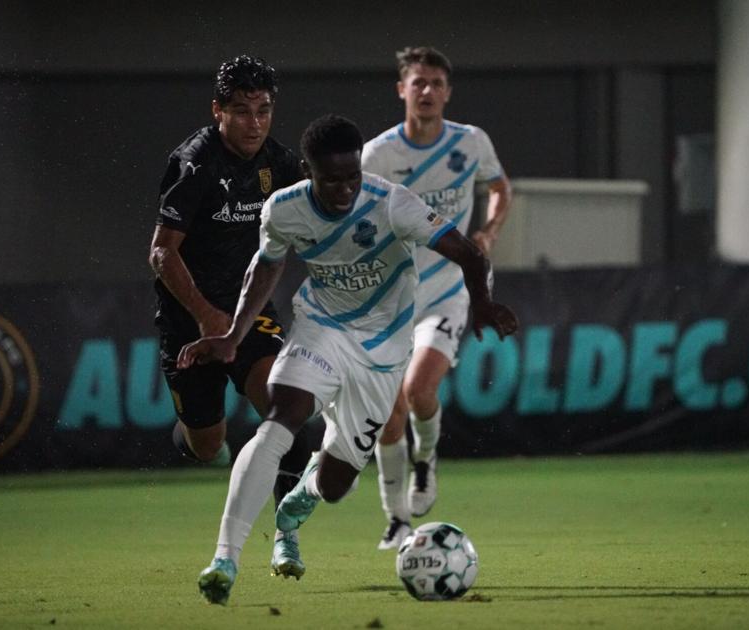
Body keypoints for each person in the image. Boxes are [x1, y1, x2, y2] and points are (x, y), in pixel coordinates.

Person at [177, 114, 519, 605]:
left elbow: (467, 252)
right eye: (331, 179)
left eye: (352, 177)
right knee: (281, 419)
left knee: (337, 484)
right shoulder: (284, 209)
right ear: (308, 171)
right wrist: (234, 333)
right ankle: (225, 559)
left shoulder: (392, 204)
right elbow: (267, 264)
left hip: (383, 354)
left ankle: (299, 503)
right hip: (322, 329)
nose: (344, 189)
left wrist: (482, 303)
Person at [148, 55, 313, 580]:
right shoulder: (193, 163)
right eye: (241, 111)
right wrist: (206, 317)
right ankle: (195, 436)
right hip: (188, 322)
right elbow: (160, 253)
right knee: (207, 444)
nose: (255, 123)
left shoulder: (282, 164)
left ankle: (285, 538)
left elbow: (321, 215)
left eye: (264, 110)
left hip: (251, 313)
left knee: (287, 407)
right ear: (217, 110)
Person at [361, 46, 514, 549]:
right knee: (387, 416)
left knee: (419, 393)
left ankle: (425, 462)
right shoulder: (379, 155)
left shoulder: (470, 142)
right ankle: (396, 518)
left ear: (447, 92)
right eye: (417, 82)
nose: (426, 91)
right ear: (401, 89)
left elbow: (499, 185)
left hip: (449, 291)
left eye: (435, 83)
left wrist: (488, 231)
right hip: (393, 297)